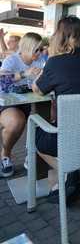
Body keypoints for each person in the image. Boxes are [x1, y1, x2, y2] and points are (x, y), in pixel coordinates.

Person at [32, 15, 80, 205]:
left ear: (60, 37)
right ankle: (69, 175)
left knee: (36, 137)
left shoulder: (56, 62)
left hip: (67, 136)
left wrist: (39, 74)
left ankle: (68, 173)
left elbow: (38, 90)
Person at [0, 32, 43, 177]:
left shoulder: (40, 61)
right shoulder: (12, 60)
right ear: (27, 48)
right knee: (16, 122)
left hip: (28, 102)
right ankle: (5, 155)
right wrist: (24, 74)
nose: (39, 53)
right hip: (6, 103)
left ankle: (33, 155)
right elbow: (2, 82)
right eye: (36, 49)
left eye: (41, 49)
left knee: (46, 117)